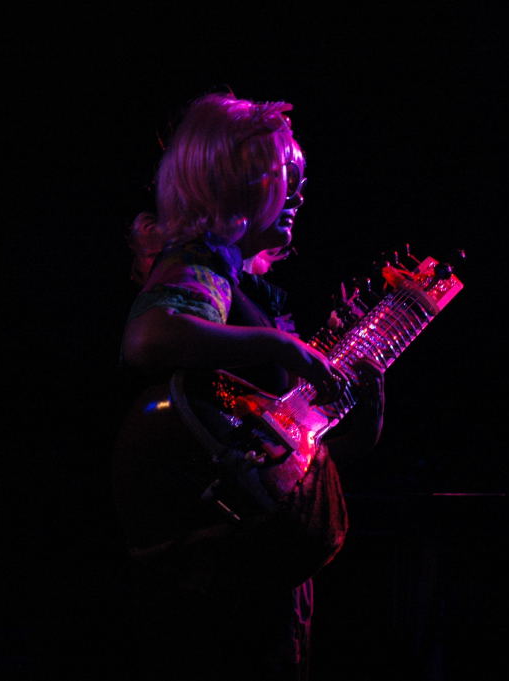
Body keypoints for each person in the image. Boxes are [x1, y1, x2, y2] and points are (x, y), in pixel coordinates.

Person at [113, 92, 384, 681]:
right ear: (229, 180)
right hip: (217, 591)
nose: (298, 195)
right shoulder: (199, 267)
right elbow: (148, 337)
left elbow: (280, 456)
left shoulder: (243, 288)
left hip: (255, 575)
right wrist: (284, 349)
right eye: (284, 176)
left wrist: (360, 414)